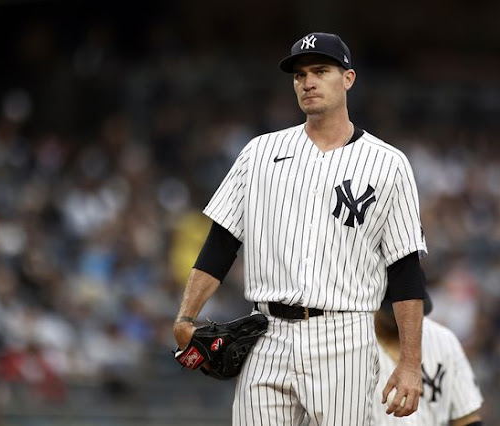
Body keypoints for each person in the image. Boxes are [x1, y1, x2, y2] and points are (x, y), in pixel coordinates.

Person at [173, 32, 429, 425]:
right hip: (266, 333)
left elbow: (405, 269)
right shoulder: (259, 153)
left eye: (320, 71)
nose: (307, 82)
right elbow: (221, 243)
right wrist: (186, 317)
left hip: (343, 336)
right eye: (299, 75)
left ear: (348, 78)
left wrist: (410, 363)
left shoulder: (387, 164)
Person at [373, 293, 484, 425]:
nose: (402, 317)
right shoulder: (354, 344)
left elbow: (466, 419)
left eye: (412, 309)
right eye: (393, 313)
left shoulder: (444, 340)